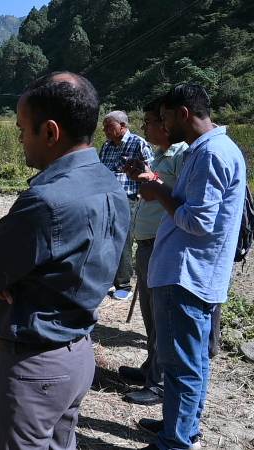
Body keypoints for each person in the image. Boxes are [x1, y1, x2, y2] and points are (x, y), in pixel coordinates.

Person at [0, 72, 130, 450]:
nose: (20, 138)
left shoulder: (46, 201)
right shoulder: (109, 184)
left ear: (50, 132)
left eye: (23, 129)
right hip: (78, 355)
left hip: (33, 369)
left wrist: (10, 275)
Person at [138, 84, 246, 450]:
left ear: (183, 113)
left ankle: (177, 441)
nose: (164, 126)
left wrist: (157, 193)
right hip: (197, 272)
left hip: (186, 273)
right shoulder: (214, 149)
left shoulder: (211, 153)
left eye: (166, 117)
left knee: (181, 364)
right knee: (194, 360)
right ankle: (181, 427)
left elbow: (198, 221)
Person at [118, 97, 188, 406]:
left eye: (149, 121)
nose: (146, 127)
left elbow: (180, 198)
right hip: (146, 244)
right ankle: (151, 369)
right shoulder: (160, 155)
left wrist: (153, 181)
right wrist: (143, 176)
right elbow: (154, 188)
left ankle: (158, 383)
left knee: (162, 320)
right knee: (150, 317)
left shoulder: (182, 155)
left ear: (166, 122)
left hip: (162, 245)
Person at [100, 110, 154, 300]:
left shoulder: (138, 143)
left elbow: (153, 172)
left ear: (123, 126)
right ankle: (107, 280)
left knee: (123, 241)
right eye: (104, 126)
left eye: (109, 126)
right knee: (106, 240)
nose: (105, 130)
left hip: (128, 200)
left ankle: (123, 284)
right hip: (106, 199)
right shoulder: (106, 146)